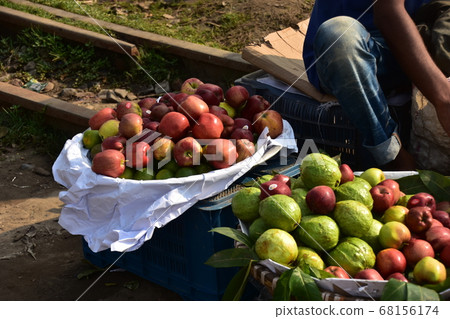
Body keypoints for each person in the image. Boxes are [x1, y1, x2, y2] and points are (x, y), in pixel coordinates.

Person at [303, 0, 450, 170]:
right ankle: (392, 155)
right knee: (339, 36)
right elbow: (387, 14)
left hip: (419, 34)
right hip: (363, 48)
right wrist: (443, 98)